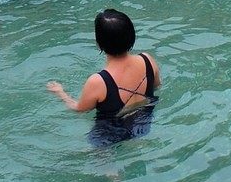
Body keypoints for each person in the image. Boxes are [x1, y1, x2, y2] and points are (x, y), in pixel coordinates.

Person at [47, 9, 160, 143]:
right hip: (143, 124)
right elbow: (157, 85)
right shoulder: (147, 60)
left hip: (109, 134)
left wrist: (61, 93)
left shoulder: (98, 81)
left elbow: (80, 109)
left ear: (99, 42)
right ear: (131, 35)